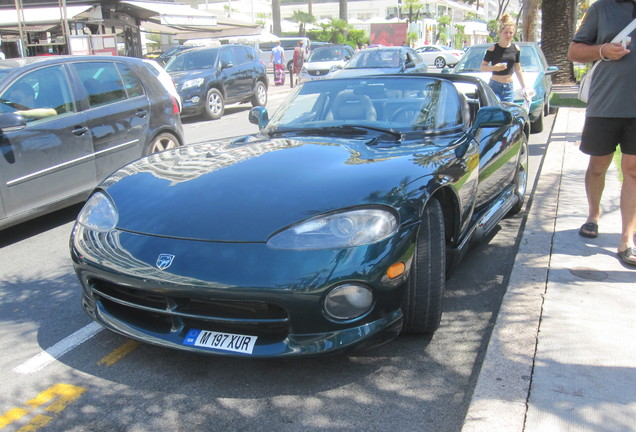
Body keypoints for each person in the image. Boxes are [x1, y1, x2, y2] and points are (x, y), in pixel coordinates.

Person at [568, 0, 636, 267]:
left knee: (632, 169)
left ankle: (626, 239)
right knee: (598, 166)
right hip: (604, 106)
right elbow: (574, 51)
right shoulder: (601, 9)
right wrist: (603, 50)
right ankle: (593, 215)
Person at [480, 14, 528, 103]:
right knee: (496, 113)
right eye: (506, 32)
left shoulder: (516, 49)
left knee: (508, 113)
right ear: (500, 32)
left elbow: (518, 69)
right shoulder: (492, 49)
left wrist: (524, 87)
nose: (508, 35)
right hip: (495, 86)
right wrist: (494, 68)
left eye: (511, 33)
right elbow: (482, 67)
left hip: (509, 87)